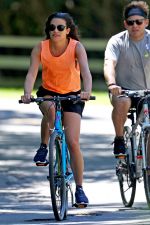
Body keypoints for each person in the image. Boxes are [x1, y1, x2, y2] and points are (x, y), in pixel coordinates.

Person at [21, 12, 92, 205]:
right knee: (50, 111)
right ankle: (44, 146)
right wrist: (27, 93)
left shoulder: (76, 47)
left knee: (73, 142)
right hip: (48, 92)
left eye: (60, 27)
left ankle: (79, 189)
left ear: (68, 30)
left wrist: (87, 91)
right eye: (52, 27)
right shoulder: (40, 48)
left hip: (73, 96)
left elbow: (85, 72)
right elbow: (31, 74)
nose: (56, 31)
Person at [104, 1, 150, 158]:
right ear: (125, 24)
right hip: (123, 90)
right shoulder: (116, 41)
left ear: (146, 22)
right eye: (131, 22)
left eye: (139, 22)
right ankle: (119, 139)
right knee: (122, 101)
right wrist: (112, 83)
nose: (135, 25)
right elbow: (109, 63)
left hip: (147, 92)